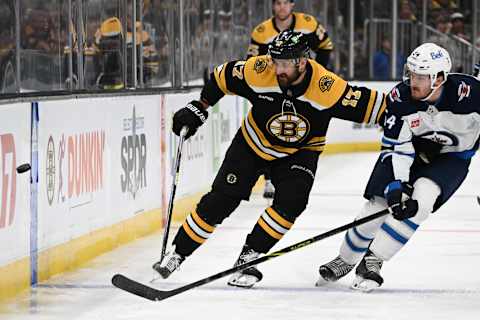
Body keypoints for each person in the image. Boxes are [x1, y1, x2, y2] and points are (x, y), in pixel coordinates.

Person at [152, 30, 386, 289]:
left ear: (303, 62)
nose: (278, 69)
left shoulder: (327, 88)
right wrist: (200, 106)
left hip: (301, 151)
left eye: (285, 63)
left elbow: (377, 107)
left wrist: (413, 124)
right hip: (253, 143)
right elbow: (222, 77)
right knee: (220, 201)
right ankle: (177, 254)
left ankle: (250, 255)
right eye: (276, 61)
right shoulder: (260, 69)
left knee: (292, 203)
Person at [316, 42, 480, 292]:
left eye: (421, 76)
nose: (413, 81)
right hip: (410, 152)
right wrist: (397, 183)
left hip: (452, 158)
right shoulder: (400, 97)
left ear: (439, 78)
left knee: (420, 202)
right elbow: (397, 145)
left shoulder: (471, 95)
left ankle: (373, 260)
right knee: (379, 205)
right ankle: (345, 259)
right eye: (412, 73)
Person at [247, 0, 335, 199]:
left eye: (286, 3)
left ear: (292, 5)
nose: (281, 7)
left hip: (302, 87)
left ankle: (291, 172)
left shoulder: (308, 23)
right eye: (277, 3)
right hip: (273, 88)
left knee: (297, 129)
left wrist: (316, 76)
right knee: (270, 128)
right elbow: (252, 64)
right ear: (272, 6)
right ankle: (269, 177)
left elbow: (326, 46)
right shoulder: (261, 32)